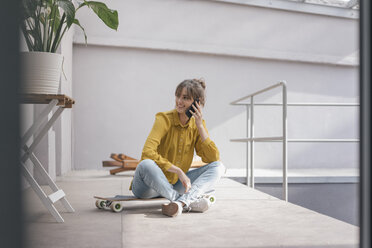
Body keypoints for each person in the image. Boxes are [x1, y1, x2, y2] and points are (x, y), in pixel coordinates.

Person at [130, 78, 225, 217]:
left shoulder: (197, 125)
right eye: (178, 96)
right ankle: (187, 202)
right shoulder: (164, 119)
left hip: (175, 184)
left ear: (197, 103)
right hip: (147, 188)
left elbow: (213, 158)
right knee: (145, 164)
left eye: (185, 98)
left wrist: (199, 126)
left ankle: (180, 204)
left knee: (218, 167)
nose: (179, 101)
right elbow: (147, 152)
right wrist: (178, 171)